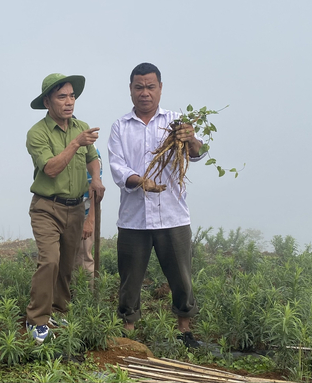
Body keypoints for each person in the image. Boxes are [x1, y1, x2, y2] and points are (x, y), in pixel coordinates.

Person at [108, 62, 206, 349]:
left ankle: (185, 330)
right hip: (133, 218)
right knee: (130, 278)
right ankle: (127, 330)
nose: (145, 93)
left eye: (151, 87)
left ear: (160, 89)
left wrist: (191, 139)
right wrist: (140, 181)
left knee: (181, 276)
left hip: (173, 215)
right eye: (139, 87)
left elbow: (197, 152)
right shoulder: (120, 127)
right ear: (130, 90)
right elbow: (116, 166)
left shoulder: (177, 122)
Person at [25, 73, 104, 343]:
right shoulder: (37, 133)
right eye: (62, 97)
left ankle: (58, 310)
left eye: (72, 95)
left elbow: (93, 158)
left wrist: (97, 179)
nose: (69, 102)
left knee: (68, 264)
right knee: (50, 260)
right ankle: (36, 319)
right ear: (48, 102)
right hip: (47, 207)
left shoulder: (80, 127)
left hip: (75, 207)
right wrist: (74, 144)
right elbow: (51, 168)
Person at [74, 149, 102, 283]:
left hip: (84, 212)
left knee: (84, 259)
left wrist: (90, 219)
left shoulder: (90, 149)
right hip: (64, 211)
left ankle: (86, 299)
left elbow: (96, 187)